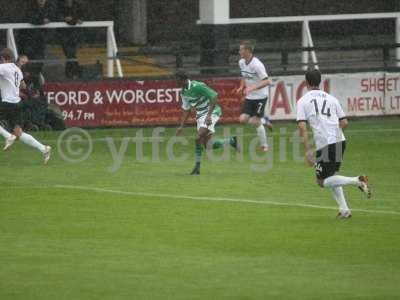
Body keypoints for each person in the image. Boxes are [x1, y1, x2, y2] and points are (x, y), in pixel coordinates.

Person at [296, 69, 371, 219]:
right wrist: (334, 132)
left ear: (306, 83)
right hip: (340, 141)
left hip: (325, 144)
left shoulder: (303, 101)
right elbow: (344, 122)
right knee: (331, 176)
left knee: (322, 181)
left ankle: (357, 181)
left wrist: (307, 151)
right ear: (320, 81)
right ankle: (344, 210)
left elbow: (302, 127)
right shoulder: (332, 99)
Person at [175, 71, 239, 175]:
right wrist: (181, 126)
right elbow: (186, 109)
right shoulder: (183, 92)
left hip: (212, 112)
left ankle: (196, 168)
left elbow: (214, 96)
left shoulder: (198, 86)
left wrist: (209, 116)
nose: (176, 83)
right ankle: (231, 141)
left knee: (198, 138)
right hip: (200, 116)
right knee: (209, 146)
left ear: (183, 80)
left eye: (177, 81)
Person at [0, 48, 51, 164]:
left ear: (3, 58)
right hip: (17, 103)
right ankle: (44, 149)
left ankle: (8, 136)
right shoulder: (17, 70)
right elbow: (22, 85)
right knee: (19, 133)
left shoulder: (3, 67)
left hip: (7, 102)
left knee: (14, 134)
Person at [236, 41, 271, 152]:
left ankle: (264, 146)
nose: (239, 51)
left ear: (248, 51)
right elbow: (244, 76)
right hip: (250, 97)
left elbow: (267, 81)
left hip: (261, 97)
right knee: (242, 119)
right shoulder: (241, 62)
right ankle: (264, 120)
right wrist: (241, 87)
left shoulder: (257, 65)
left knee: (254, 121)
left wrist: (252, 88)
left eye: (241, 49)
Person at [57, 0, 84, 78]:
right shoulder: (60, 6)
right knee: (70, 55)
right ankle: (76, 73)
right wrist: (67, 19)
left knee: (71, 55)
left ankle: (71, 74)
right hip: (64, 34)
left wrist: (74, 19)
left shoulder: (78, 5)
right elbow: (57, 17)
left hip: (74, 34)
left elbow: (81, 17)